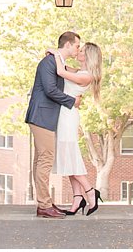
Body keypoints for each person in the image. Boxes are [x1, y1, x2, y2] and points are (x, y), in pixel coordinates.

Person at [24, 30, 82, 218]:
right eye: (76, 45)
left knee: (41, 160)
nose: (78, 49)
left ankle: (44, 203)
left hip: (44, 117)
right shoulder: (49, 62)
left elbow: (71, 73)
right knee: (45, 159)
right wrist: (72, 101)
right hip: (42, 116)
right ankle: (44, 205)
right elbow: (49, 90)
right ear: (67, 45)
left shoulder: (57, 61)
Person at [51, 41, 104, 215]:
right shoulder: (80, 72)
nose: (78, 52)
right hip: (64, 114)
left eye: (81, 50)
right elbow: (65, 68)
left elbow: (60, 71)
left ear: (87, 55)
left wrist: (56, 53)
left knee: (69, 156)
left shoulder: (86, 76)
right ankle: (77, 199)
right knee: (68, 158)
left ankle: (90, 192)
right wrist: (58, 56)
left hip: (68, 117)